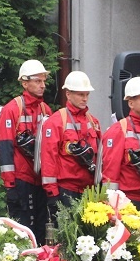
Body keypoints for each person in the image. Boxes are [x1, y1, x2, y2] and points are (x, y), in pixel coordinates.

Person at [0, 60, 53, 242]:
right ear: (25, 83)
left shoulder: (45, 110)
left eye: (43, 81)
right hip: (21, 179)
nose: (42, 85)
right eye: (37, 81)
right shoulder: (12, 109)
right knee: (23, 231)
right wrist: (10, 185)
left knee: (41, 230)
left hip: (41, 180)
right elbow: (4, 148)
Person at [41, 71, 101, 219]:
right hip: (66, 190)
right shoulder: (56, 121)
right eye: (80, 94)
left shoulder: (93, 122)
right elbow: (49, 158)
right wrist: (52, 193)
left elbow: (100, 157)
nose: (85, 98)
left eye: (87, 94)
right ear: (68, 94)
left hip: (89, 190)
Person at [101, 77, 140, 212]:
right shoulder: (119, 130)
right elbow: (110, 174)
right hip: (129, 202)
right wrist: (111, 206)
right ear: (131, 103)